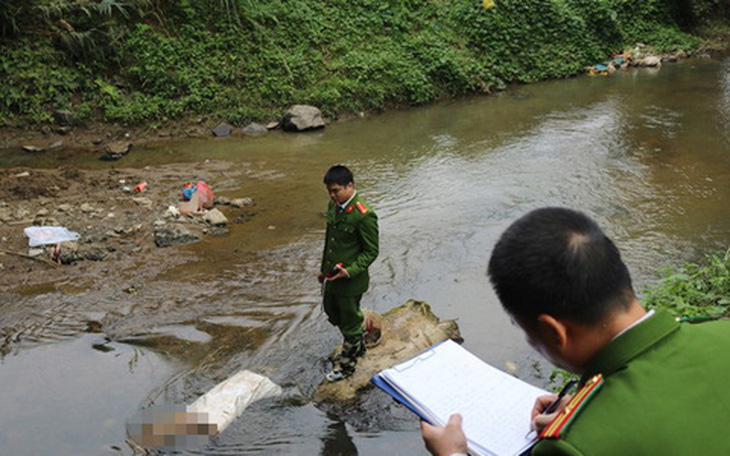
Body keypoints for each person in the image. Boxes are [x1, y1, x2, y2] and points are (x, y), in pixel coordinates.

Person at [422, 207, 730, 455]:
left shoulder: (571, 447)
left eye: (525, 330)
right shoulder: (721, 332)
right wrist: (589, 406)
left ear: (555, 332)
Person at [319, 165, 379, 382]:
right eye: (330, 191)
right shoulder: (334, 206)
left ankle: (346, 366)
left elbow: (372, 251)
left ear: (350, 186)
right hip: (332, 275)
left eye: (336, 190)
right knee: (331, 312)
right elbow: (330, 241)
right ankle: (358, 342)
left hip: (350, 280)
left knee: (349, 322)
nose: (333, 195)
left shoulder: (364, 215)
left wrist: (350, 271)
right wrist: (323, 269)